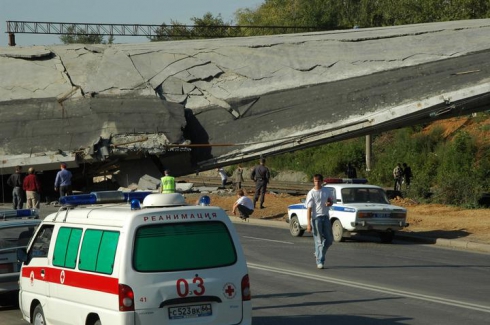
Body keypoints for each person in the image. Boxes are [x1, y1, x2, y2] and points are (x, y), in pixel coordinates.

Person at [306, 174, 334, 269]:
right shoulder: (311, 193)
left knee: (329, 240)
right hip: (316, 219)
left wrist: (329, 203)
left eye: (318, 181)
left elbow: (331, 200)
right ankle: (320, 261)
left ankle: (318, 252)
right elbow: (309, 209)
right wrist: (309, 224)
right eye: (315, 181)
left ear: (322, 181)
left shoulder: (326, 191)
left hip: (325, 217)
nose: (317, 183)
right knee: (318, 241)